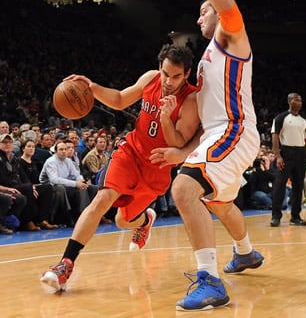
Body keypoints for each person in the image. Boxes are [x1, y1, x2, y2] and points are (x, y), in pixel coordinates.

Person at [150, 0, 264, 311]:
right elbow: (197, 128)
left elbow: (229, 8)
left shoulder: (230, 38)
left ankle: (210, 281)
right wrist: (182, 149)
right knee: (220, 202)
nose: (200, 18)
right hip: (218, 134)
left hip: (234, 129)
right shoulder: (203, 64)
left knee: (183, 190)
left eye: (204, 11)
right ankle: (245, 253)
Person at [39, 44, 200, 294]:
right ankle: (65, 264)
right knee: (102, 199)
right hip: (131, 152)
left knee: (122, 220)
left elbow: (178, 142)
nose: (168, 81)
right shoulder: (151, 79)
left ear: (187, 74)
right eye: (166, 73)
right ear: (160, 67)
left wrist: (166, 117)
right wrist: (92, 88)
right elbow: (120, 98)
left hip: (156, 168)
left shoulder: (190, 99)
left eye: (176, 76)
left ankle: (144, 220)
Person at [270, 93, 306, 227]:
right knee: (280, 185)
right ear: (289, 101)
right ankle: (275, 216)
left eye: (300, 100)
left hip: (300, 154)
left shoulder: (304, 120)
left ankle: (295, 216)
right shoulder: (281, 118)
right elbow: (275, 136)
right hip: (286, 152)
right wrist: (278, 156)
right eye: (296, 100)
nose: (299, 102)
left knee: (298, 186)